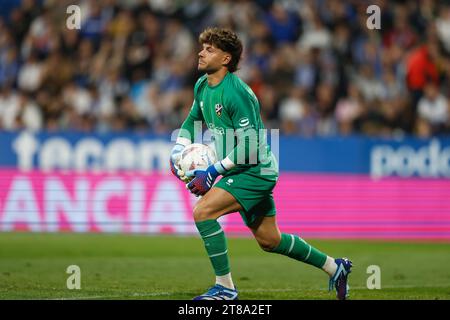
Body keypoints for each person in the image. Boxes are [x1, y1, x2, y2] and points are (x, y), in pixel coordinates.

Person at [169, 27, 352, 300]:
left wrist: (213, 171)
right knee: (270, 240)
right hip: (240, 169)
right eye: (202, 47)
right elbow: (192, 121)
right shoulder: (202, 86)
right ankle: (334, 267)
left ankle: (225, 288)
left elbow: (251, 145)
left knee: (203, 212)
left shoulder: (237, 93)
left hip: (256, 170)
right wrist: (178, 150)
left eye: (209, 49)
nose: (201, 52)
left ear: (226, 59)